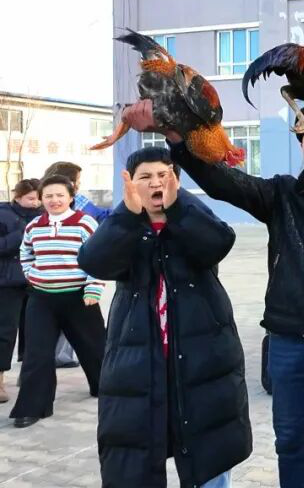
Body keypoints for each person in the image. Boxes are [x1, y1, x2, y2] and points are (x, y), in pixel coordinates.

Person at [123, 99, 304, 488]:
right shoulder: (281, 194)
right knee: (291, 442)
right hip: (287, 341)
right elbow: (221, 181)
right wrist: (176, 138)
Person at [78, 147, 250, 488]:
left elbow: (218, 243)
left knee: (209, 453)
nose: (156, 183)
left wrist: (180, 205)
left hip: (202, 360)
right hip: (138, 362)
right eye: (145, 177)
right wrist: (127, 216)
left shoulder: (192, 218)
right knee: (135, 458)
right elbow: (93, 261)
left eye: (164, 175)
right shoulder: (125, 225)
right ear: (131, 184)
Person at [9, 175, 106, 428]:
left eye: (60, 195)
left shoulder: (85, 223)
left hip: (80, 298)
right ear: (41, 199)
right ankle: (32, 407)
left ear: (71, 197)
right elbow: (25, 253)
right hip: (42, 298)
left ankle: (105, 387)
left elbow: (99, 257)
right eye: (48, 196)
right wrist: (31, 275)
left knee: (94, 348)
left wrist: (93, 288)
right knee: (37, 353)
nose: (54, 200)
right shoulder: (35, 226)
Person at [43, 161, 107, 368]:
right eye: (77, 180)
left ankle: (62, 357)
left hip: (75, 279)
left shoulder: (81, 210)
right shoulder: (73, 207)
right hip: (61, 282)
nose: (79, 185)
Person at [0, 179, 40, 401]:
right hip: (8, 283)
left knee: (35, 332)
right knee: (5, 333)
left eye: (38, 198)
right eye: (30, 198)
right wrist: (24, 233)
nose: (36, 203)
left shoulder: (46, 216)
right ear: (18, 197)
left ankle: (28, 376)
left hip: (37, 281)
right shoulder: (3, 213)